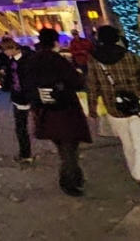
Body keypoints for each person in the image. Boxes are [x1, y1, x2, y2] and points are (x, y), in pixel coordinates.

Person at [86, 25, 140, 205]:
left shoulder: (94, 60)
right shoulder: (131, 56)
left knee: (129, 146)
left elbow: (93, 85)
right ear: (117, 37)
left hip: (115, 111)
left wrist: (92, 109)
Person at [23, 27, 91, 196]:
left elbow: (27, 85)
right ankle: (70, 180)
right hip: (64, 108)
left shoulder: (32, 60)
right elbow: (76, 82)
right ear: (55, 41)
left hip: (44, 111)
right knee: (69, 145)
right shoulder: (58, 60)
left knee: (62, 145)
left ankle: (74, 176)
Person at [0, 37, 34, 163]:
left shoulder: (28, 59)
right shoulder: (11, 61)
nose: (5, 53)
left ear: (13, 48)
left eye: (6, 50)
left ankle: (26, 153)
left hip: (28, 95)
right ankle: (25, 153)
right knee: (20, 126)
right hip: (17, 96)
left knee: (36, 124)